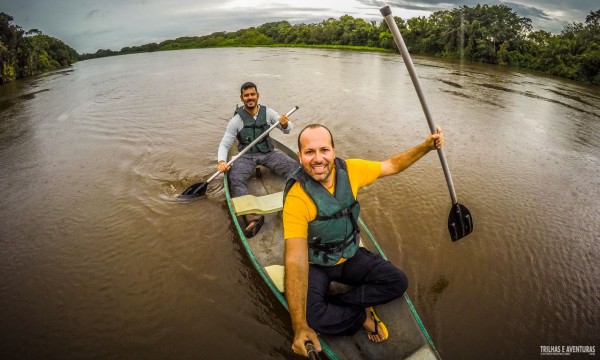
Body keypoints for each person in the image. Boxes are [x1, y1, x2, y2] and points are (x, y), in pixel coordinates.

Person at [282, 124, 444, 357]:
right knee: (310, 318)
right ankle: (360, 317)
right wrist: (299, 327)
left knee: (397, 282)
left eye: (324, 150)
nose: (318, 159)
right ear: (299, 156)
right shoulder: (297, 198)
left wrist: (426, 147)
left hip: (349, 255)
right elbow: (295, 258)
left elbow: (392, 165)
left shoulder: (352, 170)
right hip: (315, 264)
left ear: (334, 151)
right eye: (309, 152)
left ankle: (345, 303)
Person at [217, 82, 298, 237]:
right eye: (246, 95)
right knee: (234, 178)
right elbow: (225, 143)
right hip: (246, 156)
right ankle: (252, 216)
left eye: (252, 94)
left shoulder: (268, 113)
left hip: (268, 153)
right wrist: (221, 161)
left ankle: (295, 200)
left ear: (257, 95)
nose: (250, 98)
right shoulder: (236, 120)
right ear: (242, 98)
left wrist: (285, 123)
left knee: (296, 168)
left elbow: (287, 130)